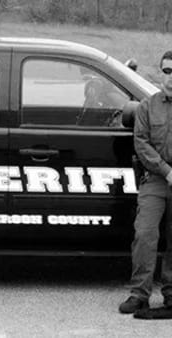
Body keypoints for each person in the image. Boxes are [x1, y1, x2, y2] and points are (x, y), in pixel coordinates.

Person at [119, 50, 172, 314]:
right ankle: (139, 293)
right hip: (156, 180)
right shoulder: (147, 106)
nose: (171, 78)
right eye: (167, 71)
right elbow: (141, 143)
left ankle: (171, 293)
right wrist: (166, 171)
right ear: (161, 72)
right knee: (145, 234)